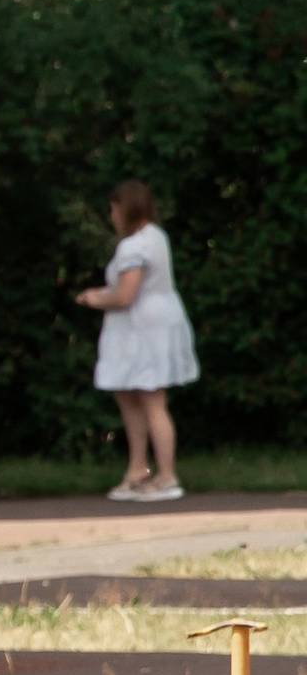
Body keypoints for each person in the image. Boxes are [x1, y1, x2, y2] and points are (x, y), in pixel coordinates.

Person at [77, 179, 197, 501]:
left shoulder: (134, 246)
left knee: (152, 400)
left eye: (114, 209)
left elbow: (126, 295)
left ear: (123, 208)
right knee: (131, 397)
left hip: (144, 330)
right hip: (147, 326)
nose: (112, 216)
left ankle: (167, 475)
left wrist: (93, 299)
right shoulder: (156, 238)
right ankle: (137, 469)